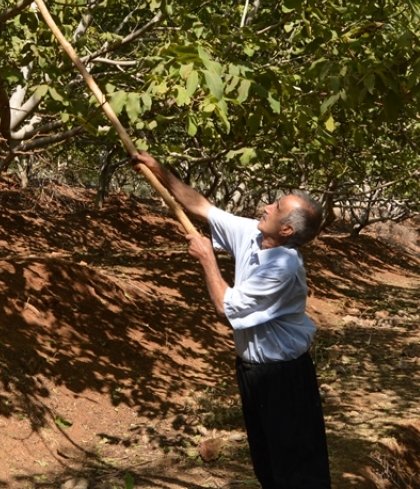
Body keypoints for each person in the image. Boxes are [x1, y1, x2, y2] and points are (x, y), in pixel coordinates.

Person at [132, 152, 331, 489]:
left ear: (285, 229)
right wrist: (158, 171)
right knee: (268, 463)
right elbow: (202, 207)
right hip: (253, 371)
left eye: (276, 207)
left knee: (298, 470)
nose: (266, 206)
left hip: (284, 378)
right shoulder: (254, 234)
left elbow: (227, 309)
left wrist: (208, 259)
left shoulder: (282, 268)